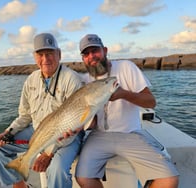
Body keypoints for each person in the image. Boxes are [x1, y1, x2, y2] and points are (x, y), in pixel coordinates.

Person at [75, 34, 179, 188]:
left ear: (104, 50)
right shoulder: (84, 81)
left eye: (95, 50)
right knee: (83, 178)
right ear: (83, 58)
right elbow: (90, 121)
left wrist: (123, 94)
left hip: (130, 132)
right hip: (99, 135)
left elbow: (151, 102)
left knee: (169, 179)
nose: (91, 56)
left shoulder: (126, 67)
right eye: (86, 54)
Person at [0, 33, 84, 188]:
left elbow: (74, 124)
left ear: (59, 54)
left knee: (57, 169)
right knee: (0, 147)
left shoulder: (71, 79)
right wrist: (8, 133)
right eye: (40, 54)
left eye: (49, 54)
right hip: (38, 131)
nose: (45, 59)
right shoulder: (31, 79)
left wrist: (48, 153)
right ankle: (20, 186)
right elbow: (25, 115)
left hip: (68, 135)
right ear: (35, 57)